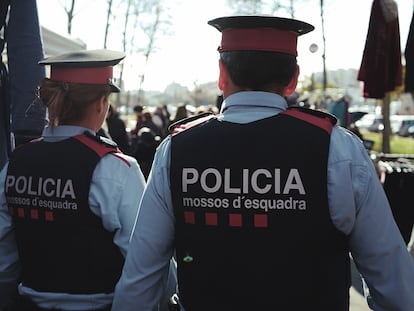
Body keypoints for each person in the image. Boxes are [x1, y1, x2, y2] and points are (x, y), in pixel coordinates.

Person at [112, 15, 414, 311]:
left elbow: (141, 276)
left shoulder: (177, 149)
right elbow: (391, 277)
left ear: (222, 74)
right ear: (293, 79)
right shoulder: (338, 148)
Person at [0, 49, 148, 310]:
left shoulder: (16, 162)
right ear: (101, 104)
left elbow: (4, 254)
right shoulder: (115, 168)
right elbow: (143, 263)